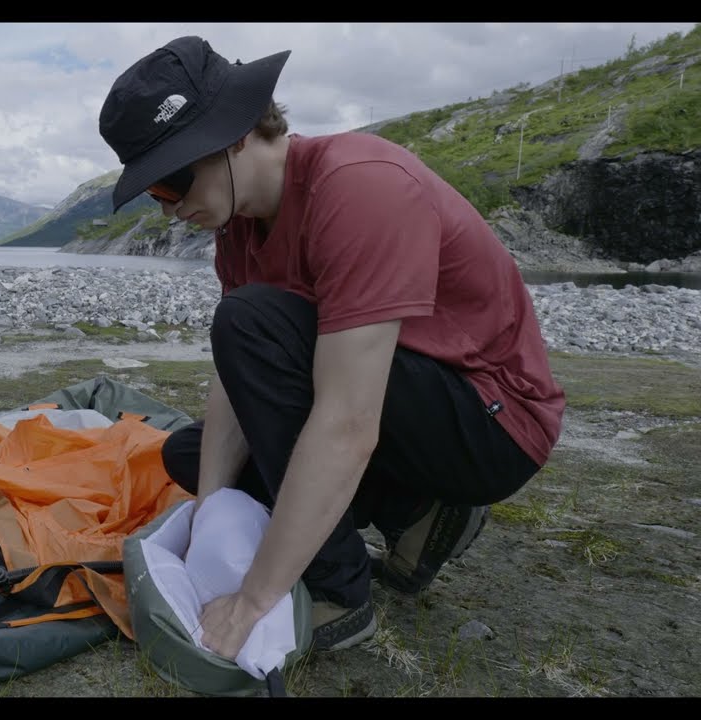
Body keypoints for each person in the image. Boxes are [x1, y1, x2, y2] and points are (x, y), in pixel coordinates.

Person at [97, 36, 566, 660]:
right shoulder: (239, 227)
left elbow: (346, 421)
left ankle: (339, 592)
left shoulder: (359, 187)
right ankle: (419, 513)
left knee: (249, 324)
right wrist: (209, 519)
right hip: (406, 406)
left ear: (234, 134)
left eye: (172, 182)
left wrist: (254, 600)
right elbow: (241, 382)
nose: (171, 208)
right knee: (194, 456)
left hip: (492, 424)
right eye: (156, 193)